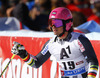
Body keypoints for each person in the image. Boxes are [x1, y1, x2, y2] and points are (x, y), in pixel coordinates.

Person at [11, 7, 99, 78]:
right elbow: (36, 63)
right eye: (51, 22)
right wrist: (23, 54)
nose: (53, 26)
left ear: (67, 23)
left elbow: (93, 62)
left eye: (57, 23)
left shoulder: (79, 40)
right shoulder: (51, 44)